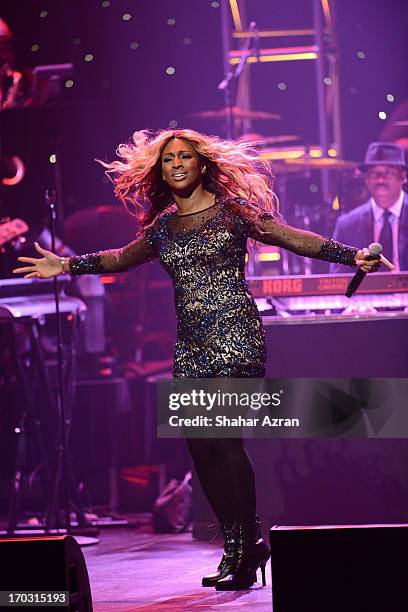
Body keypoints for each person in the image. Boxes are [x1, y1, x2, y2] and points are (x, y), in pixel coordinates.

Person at [13, 128, 380, 591]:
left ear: (202, 164)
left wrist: (352, 256)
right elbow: (121, 259)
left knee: (225, 441)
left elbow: (291, 237)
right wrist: (67, 266)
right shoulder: (164, 226)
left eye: (185, 157)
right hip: (191, 345)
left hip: (236, 336)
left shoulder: (233, 212)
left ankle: (244, 549)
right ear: (161, 171)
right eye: (168, 160)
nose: (177, 165)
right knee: (199, 445)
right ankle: (241, 542)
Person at [330, 142, 408, 273]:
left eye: (388, 173)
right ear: (366, 179)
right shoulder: (347, 225)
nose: (380, 180)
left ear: (403, 176)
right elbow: (337, 280)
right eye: (373, 174)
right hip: (363, 293)